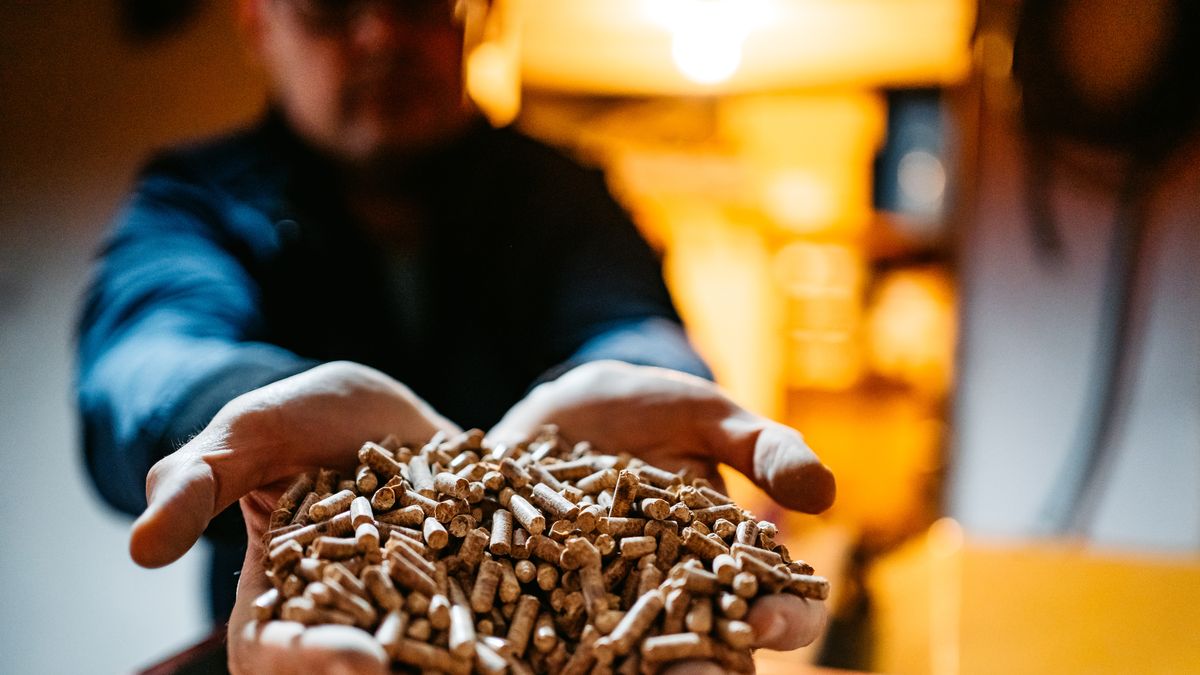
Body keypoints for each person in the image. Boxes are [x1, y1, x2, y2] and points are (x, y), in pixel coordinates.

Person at [77, 0, 835, 672]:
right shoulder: (193, 198)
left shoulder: (564, 196)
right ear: (257, 23)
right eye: (331, 7)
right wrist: (235, 409)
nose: (379, 32)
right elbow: (148, 357)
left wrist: (644, 387)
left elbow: (628, 323)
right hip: (308, 645)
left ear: (470, 18)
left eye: (416, 1)